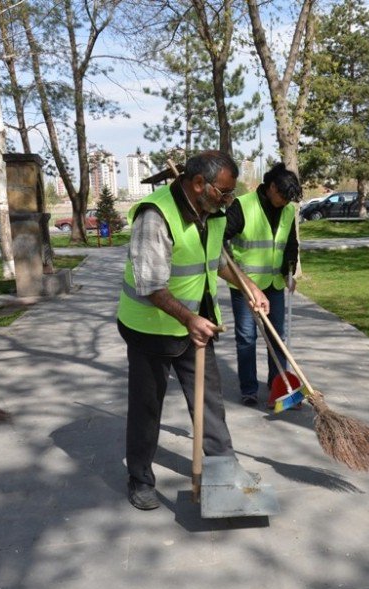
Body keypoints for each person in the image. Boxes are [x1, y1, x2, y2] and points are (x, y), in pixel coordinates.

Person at [117, 150, 270, 511]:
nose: (229, 200)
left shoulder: (213, 213)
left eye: (232, 193)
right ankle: (139, 478)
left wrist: (250, 286)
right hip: (149, 328)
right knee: (147, 408)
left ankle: (225, 475)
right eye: (224, 192)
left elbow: (216, 260)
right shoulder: (155, 217)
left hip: (196, 325)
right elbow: (151, 285)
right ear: (198, 183)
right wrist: (187, 319)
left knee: (209, 405)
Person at [223, 162, 301, 407]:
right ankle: (248, 389)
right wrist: (235, 272)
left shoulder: (288, 210)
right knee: (247, 338)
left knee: (277, 337)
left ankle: (280, 388)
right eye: (282, 197)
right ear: (270, 187)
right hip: (245, 286)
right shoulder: (242, 206)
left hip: (274, 284)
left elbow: (290, 243)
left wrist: (290, 270)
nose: (285, 203)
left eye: (289, 199)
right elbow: (220, 241)